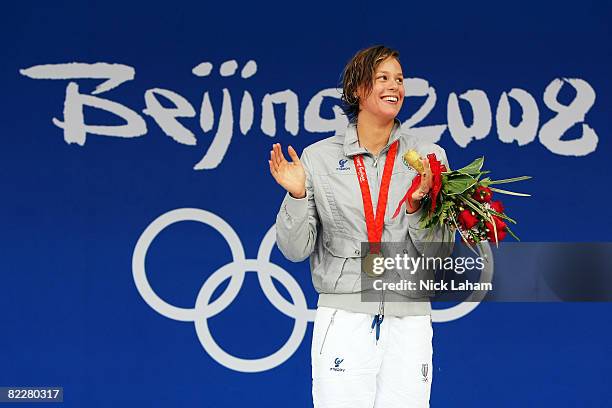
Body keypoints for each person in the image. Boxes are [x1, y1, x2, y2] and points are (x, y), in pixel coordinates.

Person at [269, 45, 454, 408]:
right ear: (357, 89)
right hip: (344, 315)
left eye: (399, 79)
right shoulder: (318, 158)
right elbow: (294, 249)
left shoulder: (431, 159)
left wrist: (417, 206)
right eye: (382, 78)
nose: (394, 87)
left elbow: (440, 251)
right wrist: (296, 194)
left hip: (409, 316)